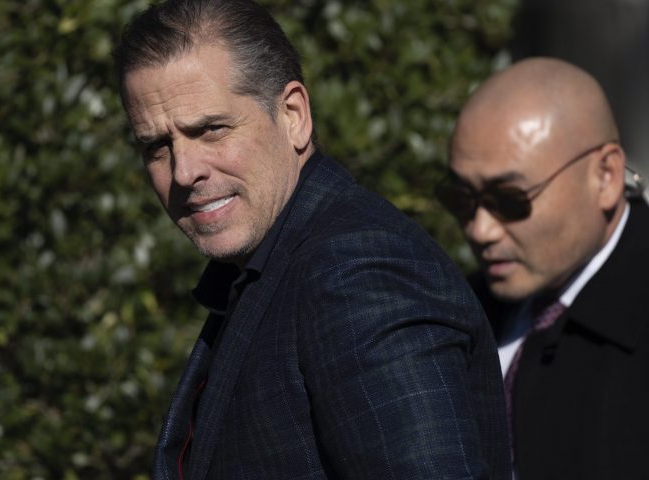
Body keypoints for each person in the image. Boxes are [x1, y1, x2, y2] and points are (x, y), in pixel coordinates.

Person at [116, 1, 510, 478]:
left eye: (211, 130)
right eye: (157, 146)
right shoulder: (268, 266)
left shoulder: (357, 273)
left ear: (293, 115)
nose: (184, 172)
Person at [437, 57, 649, 479]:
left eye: (510, 200)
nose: (481, 230)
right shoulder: (456, 311)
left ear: (605, 176)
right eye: (461, 199)